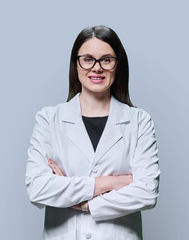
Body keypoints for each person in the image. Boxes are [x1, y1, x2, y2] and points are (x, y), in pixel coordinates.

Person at [25, 25, 160, 240]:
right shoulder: (49, 119)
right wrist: (110, 183)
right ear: (75, 65)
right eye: (88, 59)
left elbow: (147, 192)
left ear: (118, 66)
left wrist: (87, 204)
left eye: (106, 59)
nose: (97, 68)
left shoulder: (139, 121)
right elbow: (37, 189)